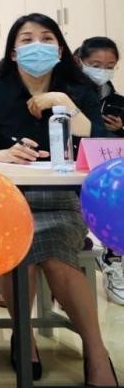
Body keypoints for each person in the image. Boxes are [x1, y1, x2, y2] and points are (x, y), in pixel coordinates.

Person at [0, 13, 118, 388]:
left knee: (56, 257)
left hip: (63, 201)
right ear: (13, 52)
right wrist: (2, 155)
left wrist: (63, 104)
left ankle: (96, 352)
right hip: (8, 200)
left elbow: (100, 144)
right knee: (21, 253)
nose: (37, 46)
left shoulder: (78, 93)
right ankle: (24, 334)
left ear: (60, 50)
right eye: (27, 39)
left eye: (46, 38)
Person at [75, 36, 124, 306]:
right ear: (80, 61)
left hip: (109, 175)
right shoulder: (69, 94)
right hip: (73, 168)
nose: (102, 71)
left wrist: (120, 130)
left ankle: (113, 258)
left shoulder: (118, 102)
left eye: (109, 66)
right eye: (95, 65)